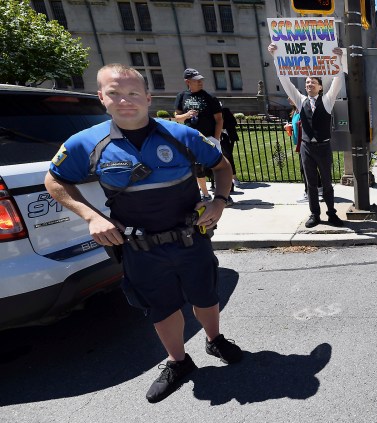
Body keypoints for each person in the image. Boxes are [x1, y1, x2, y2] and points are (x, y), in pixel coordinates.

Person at [44, 64, 242, 404]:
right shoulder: (86, 143)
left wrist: (220, 202)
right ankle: (178, 362)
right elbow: (54, 181)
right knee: (160, 308)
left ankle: (214, 339)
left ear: (148, 98)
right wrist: (91, 217)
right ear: (101, 98)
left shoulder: (182, 136)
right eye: (115, 93)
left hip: (191, 239)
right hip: (140, 247)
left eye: (133, 93)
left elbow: (222, 167)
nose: (125, 100)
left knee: (206, 295)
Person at [268, 43, 345, 228]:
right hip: (307, 147)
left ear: (320, 87)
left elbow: (338, 80)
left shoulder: (327, 101)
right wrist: (276, 57)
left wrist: (339, 60)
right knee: (310, 184)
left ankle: (332, 213)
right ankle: (314, 214)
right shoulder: (300, 101)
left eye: (313, 82)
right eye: (307, 82)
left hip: (324, 147)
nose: (309, 84)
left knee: (327, 184)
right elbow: (285, 81)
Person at [174, 68, 223, 201]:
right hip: (191, 138)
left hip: (209, 137)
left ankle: (223, 195)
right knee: (197, 167)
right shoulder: (182, 96)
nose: (200, 82)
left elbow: (219, 119)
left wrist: (216, 139)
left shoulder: (210, 97)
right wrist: (186, 115)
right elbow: (177, 116)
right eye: (196, 80)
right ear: (187, 82)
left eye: (201, 80)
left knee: (217, 167)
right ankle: (205, 194)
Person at [220, 104, 241, 192]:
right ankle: (230, 178)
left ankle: (233, 178)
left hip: (227, 137)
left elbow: (232, 123)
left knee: (228, 156)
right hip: (222, 137)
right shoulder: (215, 112)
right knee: (225, 157)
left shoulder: (225, 111)